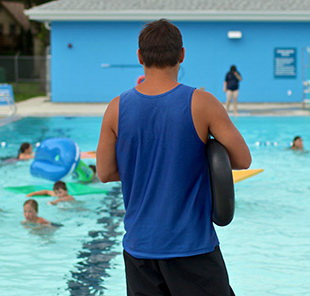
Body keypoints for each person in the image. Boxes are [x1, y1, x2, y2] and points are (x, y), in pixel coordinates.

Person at [95, 19, 250, 296]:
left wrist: (144, 166)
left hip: (140, 250)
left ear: (140, 56)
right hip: (191, 247)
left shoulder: (116, 108)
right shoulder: (202, 103)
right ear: (181, 55)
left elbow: (105, 172)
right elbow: (242, 159)